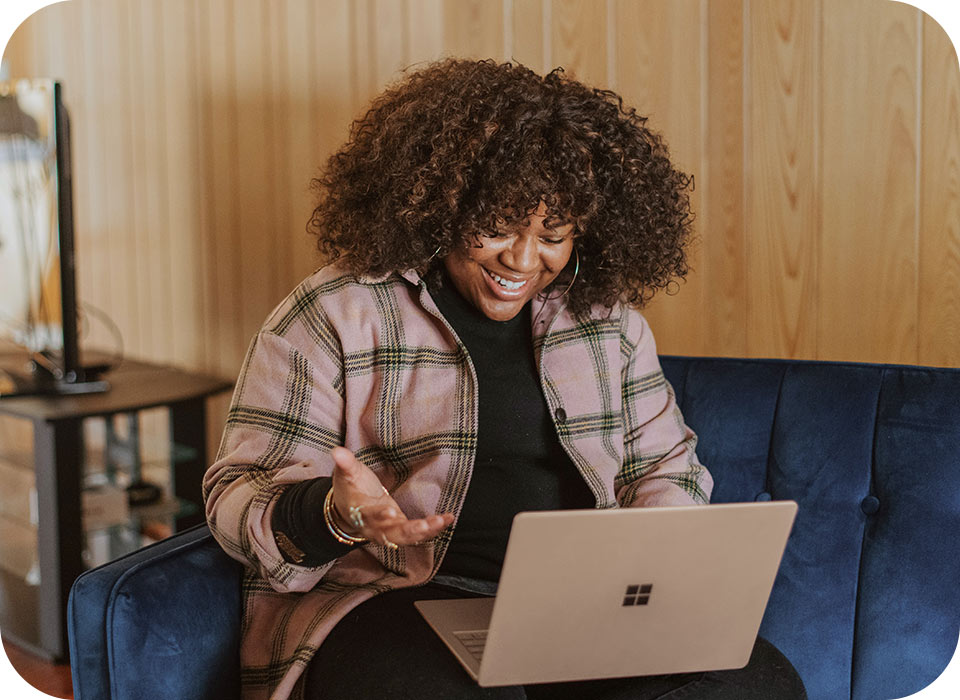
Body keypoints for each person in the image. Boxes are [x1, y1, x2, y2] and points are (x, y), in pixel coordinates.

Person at [203, 58, 806, 700]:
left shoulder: (610, 325)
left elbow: (665, 470)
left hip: (579, 610)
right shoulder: (336, 312)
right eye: (496, 227)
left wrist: (650, 567)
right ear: (441, 205)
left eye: (552, 235)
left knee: (758, 684)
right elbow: (237, 492)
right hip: (392, 600)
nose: (521, 260)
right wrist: (333, 513)